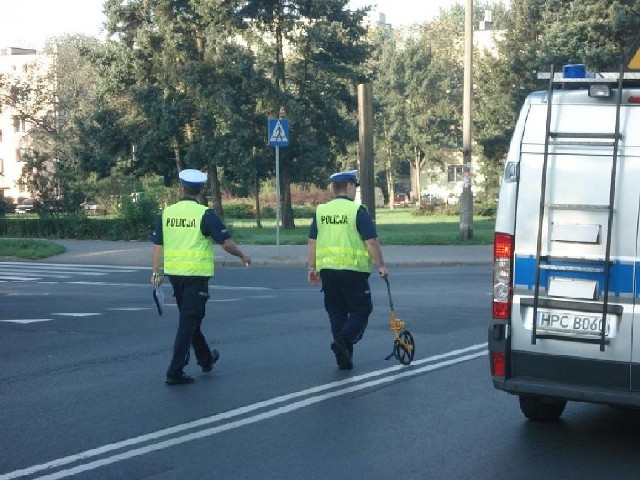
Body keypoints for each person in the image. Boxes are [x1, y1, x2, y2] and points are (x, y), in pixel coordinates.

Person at [151, 169, 251, 385]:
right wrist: (242, 254)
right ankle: (175, 370)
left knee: (190, 319)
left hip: (175, 275)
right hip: (196, 276)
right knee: (188, 321)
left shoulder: (167, 213)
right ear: (202, 189)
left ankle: (205, 359)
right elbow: (226, 243)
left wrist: (155, 272)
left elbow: (158, 244)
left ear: (180, 188)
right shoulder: (204, 214)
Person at [307, 170, 388, 370]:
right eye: (355, 187)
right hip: (353, 270)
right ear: (350, 187)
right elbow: (371, 241)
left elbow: (312, 242)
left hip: (328, 270)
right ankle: (343, 343)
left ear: (334, 189)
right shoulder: (358, 210)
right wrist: (381, 266)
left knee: (337, 312)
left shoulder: (321, 211)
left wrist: (312, 267)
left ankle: (344, 356)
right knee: (361, 310)